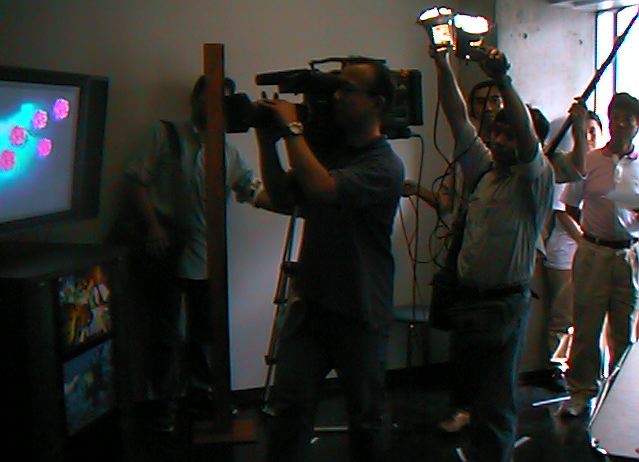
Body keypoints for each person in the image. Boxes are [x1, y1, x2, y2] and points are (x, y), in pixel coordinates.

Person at [254, 58, 404, 462]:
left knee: (366, 419)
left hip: (361, 310)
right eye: (335, 87)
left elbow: (323, 189)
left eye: (347, 89)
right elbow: (283, 196)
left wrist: (292, 129)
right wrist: (267, 143)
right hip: (313, 305)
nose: (336, 96)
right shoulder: (330, 153)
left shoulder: (384, 165)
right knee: (288, 411)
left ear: (377, 102)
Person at [431, 45, 554, 462]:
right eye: (496, 132)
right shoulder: (484, 169)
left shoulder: (535, 181)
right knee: (469, 395)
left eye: (509, 135)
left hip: (504, 307)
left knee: (496, 404)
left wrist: (503, 80)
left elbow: (527, 137)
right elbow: (457, 116)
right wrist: (441, 63)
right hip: (469, 301)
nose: (499, 140)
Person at [125, 75, 259, 431]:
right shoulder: (165, 135)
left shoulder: (227, 152)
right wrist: (153, 227)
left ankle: (202, 397)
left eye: (221, 100)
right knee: (165, 333)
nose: (213, 106)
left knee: (205, 333)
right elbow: (135, 181)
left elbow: (248, 187)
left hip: (207, 255)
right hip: (166, 251)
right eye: (208, 97)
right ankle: (163, 406)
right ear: (195, 99)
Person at [559, 92, 639, 417]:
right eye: (615, 117)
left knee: (624, 329)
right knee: (586, 327)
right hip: (592, 252)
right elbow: (569, 206)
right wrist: (584, 240)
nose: (620, 124)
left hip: (627, 257)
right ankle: (581, 393)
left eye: (627, 118)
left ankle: (617, 398)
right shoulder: (591, 160)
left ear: (637, 124)